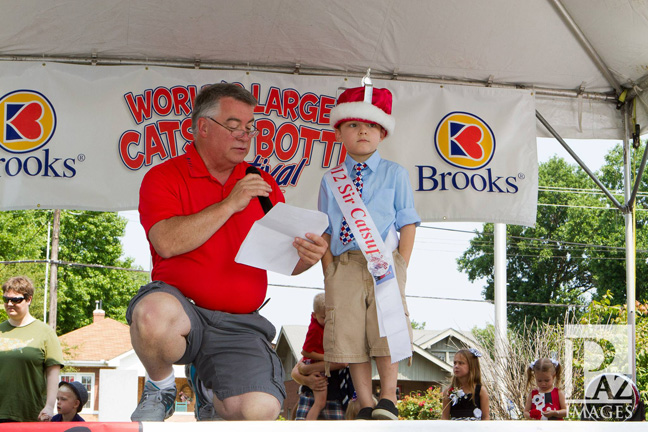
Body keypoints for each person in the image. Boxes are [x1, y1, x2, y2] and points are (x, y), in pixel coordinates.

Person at [127, 83, 328, 422]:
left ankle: (211, 392)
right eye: (234, 126)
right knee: (151, 314)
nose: (245, 136)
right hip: (182, 310)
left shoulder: (262, 183)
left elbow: (284, 260)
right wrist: (230, 204)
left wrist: (306, 257)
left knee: (260, 412)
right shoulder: (164, 176)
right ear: (202, 127)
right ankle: (161, 386)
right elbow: (167, 242)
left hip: (239, 324)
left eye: (250, 128)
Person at [317, 86, 421, 420]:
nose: (363, 130)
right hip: (343, 263)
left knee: (387, 327)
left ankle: (388, 398)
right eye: (353, 124)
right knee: (351, 334)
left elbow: (407, 221)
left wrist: (401, 263)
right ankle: (364, 403)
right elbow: (325, 227)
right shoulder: (330, 180)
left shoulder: (395, 174)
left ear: (382, 132)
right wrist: (328, 268)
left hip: (384, 262)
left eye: (371, 125)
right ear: (338, 132)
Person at [0, 276, 64, 422]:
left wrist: (49, 406)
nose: (10, 304)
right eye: (6, 299)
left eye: (16, 300)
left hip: (31, 416)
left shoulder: (45, 333)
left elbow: (53, 374)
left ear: (29, 299)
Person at [442, 348, 490, 420]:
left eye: (461, 363)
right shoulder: (448, 391)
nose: (456, 366)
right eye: (455, 363)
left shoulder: (481, 391)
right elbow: (445, 418)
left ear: (471, 366)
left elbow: (485, 417)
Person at [301, 292, 327, 420]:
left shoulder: (324, 326)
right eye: (323, 317)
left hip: (317, 363)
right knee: (319, 403)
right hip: (313, 363)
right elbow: (305, 352)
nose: (326, 321)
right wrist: (325, 357)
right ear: (314, 315)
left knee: (320, 402)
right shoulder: (314, 329)